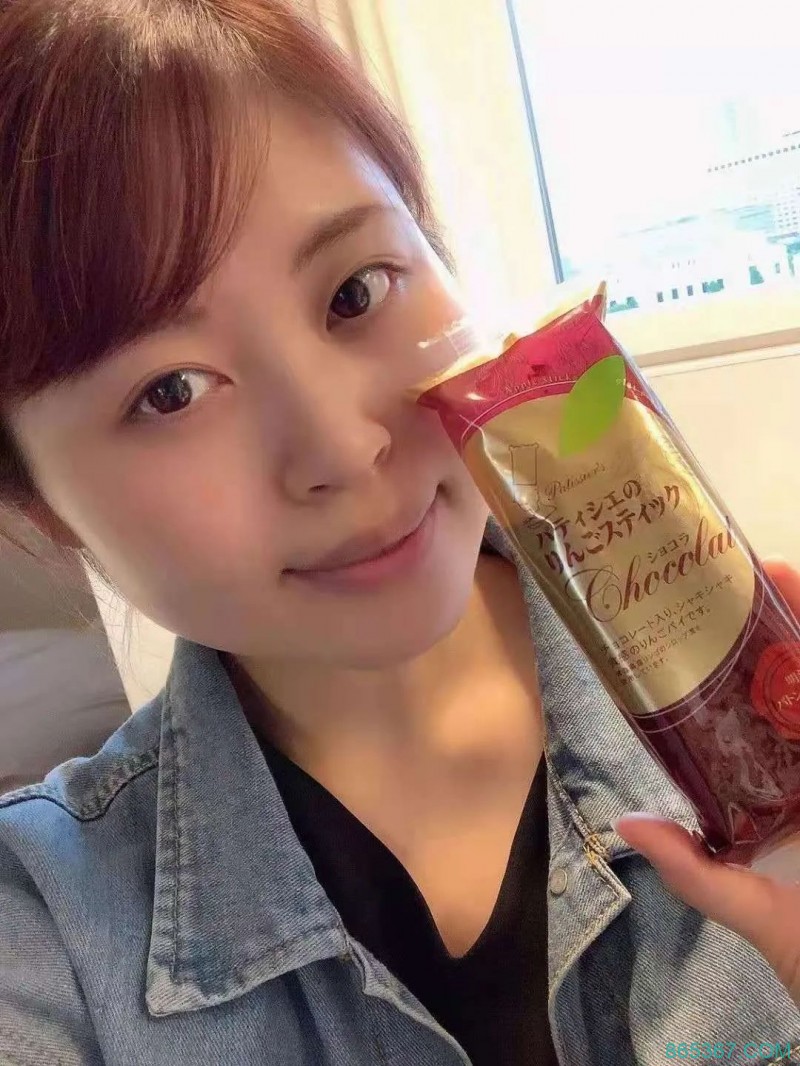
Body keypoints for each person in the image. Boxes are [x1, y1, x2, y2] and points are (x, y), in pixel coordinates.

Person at [0, 1, 797, 1063]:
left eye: (355, 291)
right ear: (42, 508)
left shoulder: (768, 723)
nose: (343, 446)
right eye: (170, 391)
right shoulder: (44, 931)